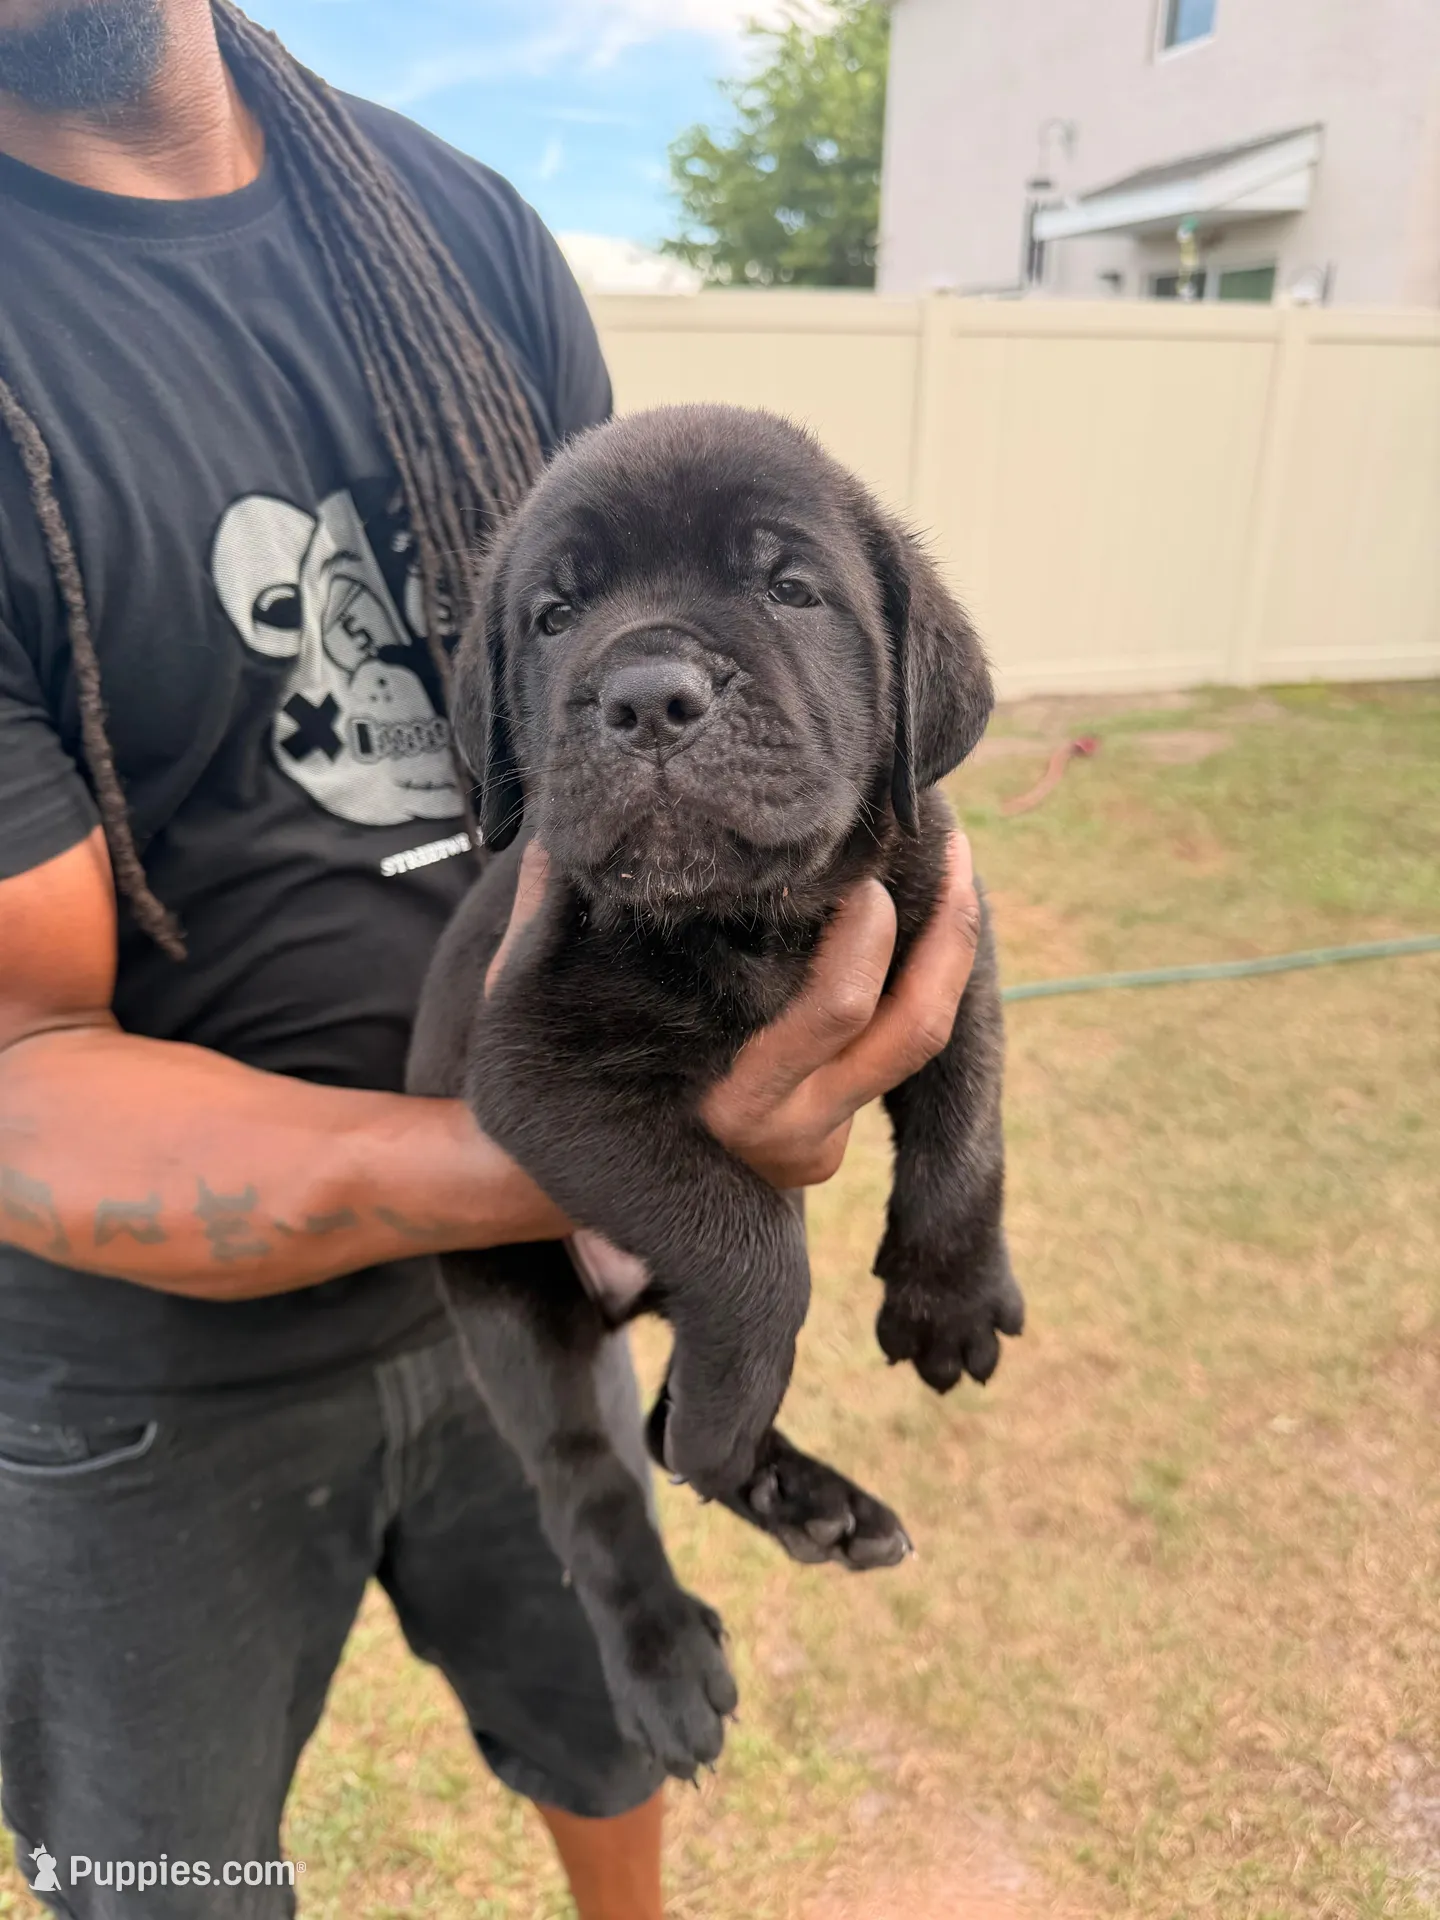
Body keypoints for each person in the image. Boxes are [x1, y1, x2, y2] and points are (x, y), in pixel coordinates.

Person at [0, 3, 982, 1915]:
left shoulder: (457, 229)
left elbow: (656, 630)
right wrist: (616, 1161)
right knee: (162, 1876)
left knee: (617, 1706)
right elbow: (20, 1048)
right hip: (136, 1376)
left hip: (538, 1256)